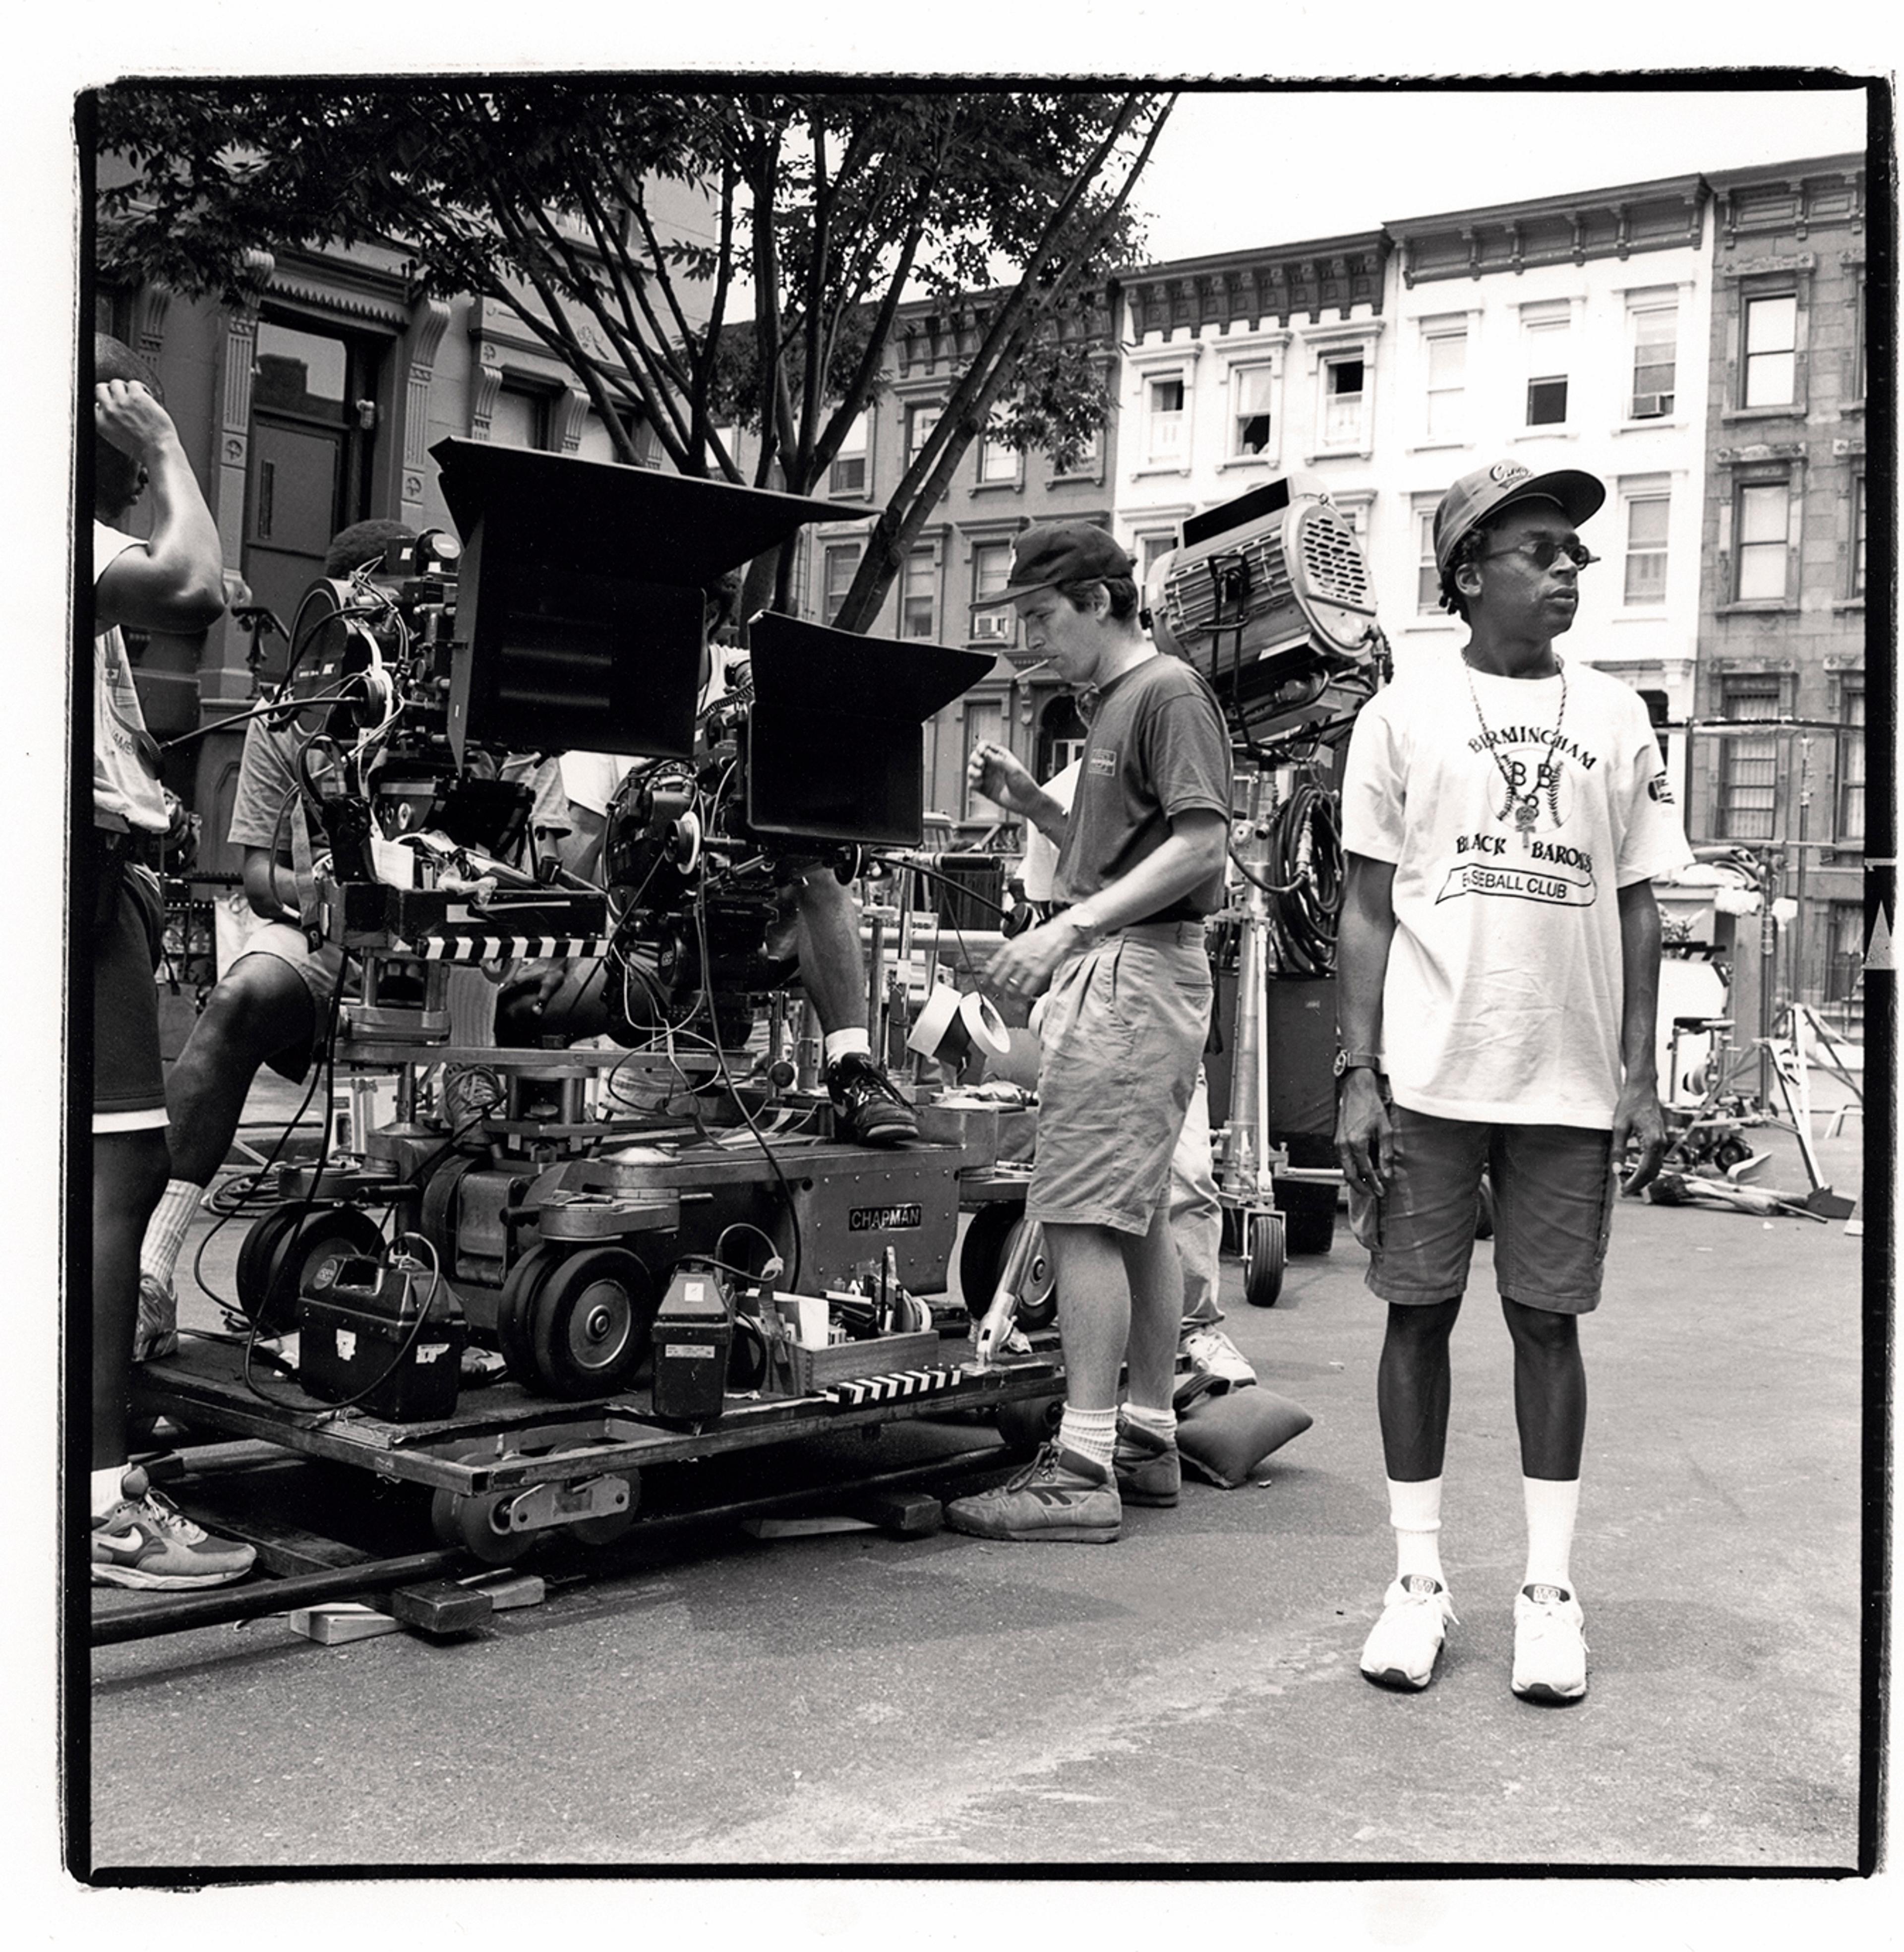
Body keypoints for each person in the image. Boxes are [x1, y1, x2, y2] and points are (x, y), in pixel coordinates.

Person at [1334, 461, 1692, 1702]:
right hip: (1431, 1072)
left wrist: (1639, 1073)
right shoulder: (1400, 714)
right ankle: (1417, 1584)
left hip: (1567, 1077)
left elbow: (1638, 903)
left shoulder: (1616, 716)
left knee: (1548, 1322)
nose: (1565, 569)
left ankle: (1546, 1591)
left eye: (1574, 554)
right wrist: (1357, 1070)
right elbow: (1368, 909)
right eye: (1540, 547)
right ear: (1468, 568)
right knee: (1414, 1313)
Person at [944, 523, 1232, 1543]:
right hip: (1138, 967)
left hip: (1129, 973)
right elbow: (1127, 856)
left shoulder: (1164, 693)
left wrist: (1068, 926)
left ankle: (1082, 1466)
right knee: (1139, 1212)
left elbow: (1204, 846)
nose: (1031, 640)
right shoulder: (1114, 705)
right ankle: (1145, 1440)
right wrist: (1035, 808)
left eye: (1040, 617)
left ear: (1102, 602)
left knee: (1075, 1214)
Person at [134, 519, 423, 1354]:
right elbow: (258, 873)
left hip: (452, 950)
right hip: (328, 943)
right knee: (236, 1001)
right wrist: (328, 894)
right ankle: (152, 1267)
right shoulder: (286, 714)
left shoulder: (454, 703)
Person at [89, 335, 256, 1588]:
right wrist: (171, 449)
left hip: (100, 875)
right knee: (114, 1176)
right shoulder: (65, 535)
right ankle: (97, 1498)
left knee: (98, 1175)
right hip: (76, 885)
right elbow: (201, 584)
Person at [1019, 754, 1252, 1387]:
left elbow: (1196, 865)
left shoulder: (1162, 750)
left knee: (1144, 1196)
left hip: (1132, 977)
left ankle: (1103, 1435)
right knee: (1142, 1204)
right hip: (1110, 977)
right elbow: (1051, 898)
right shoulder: (1077, 783)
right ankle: (1145, 1418)